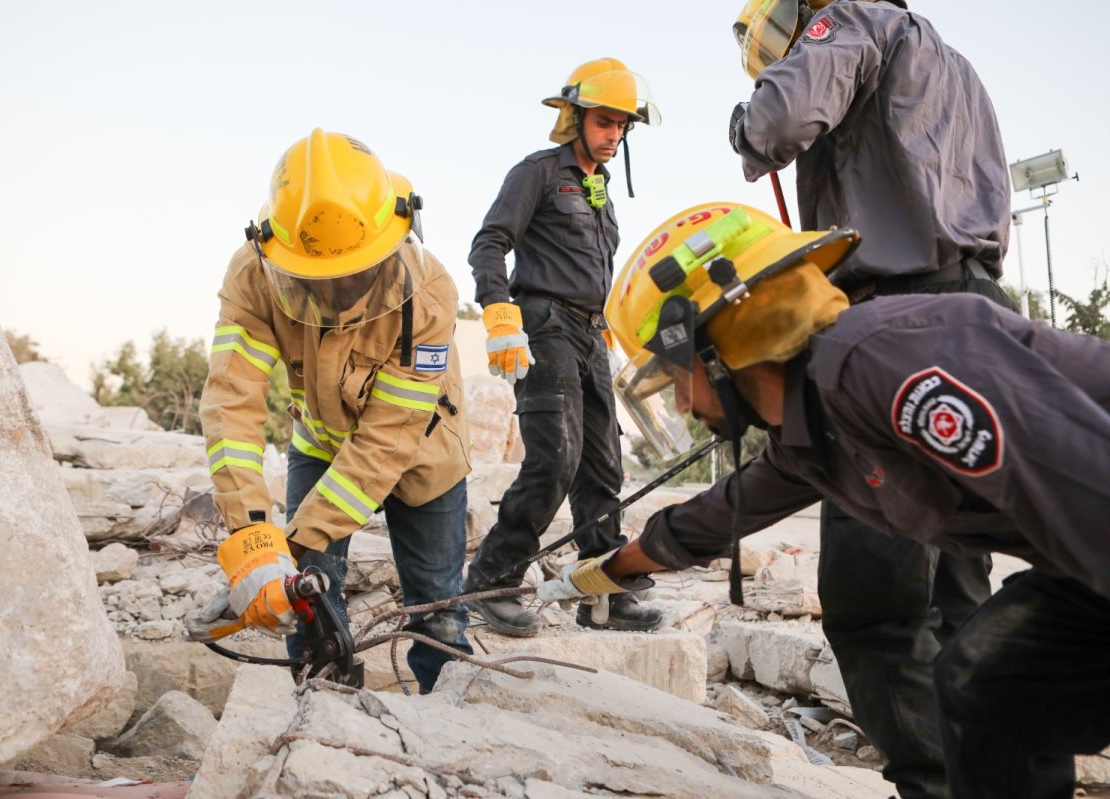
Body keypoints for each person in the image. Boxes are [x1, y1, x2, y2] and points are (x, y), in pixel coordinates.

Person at [538, 201, 1110, 799]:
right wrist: (598, 575)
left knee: (993, 677)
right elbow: (713, 517)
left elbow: (1092, 495)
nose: (681, 403)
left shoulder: (880, 363)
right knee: (987, 680)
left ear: (718, 347)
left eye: (676, 376)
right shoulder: (810, 432)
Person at [728, 2, 1017, 794]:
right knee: (961, 580)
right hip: (977, 308)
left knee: (873, 604)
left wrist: (744, 123)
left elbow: (780, 120)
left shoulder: (848, 17)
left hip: (897, 325)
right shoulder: (953, 65)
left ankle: (934, 786)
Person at [186, 130, 473, 693]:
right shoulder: (253, 275)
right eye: (316, 281)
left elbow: (387, 442)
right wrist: (253, 544)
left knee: (436, 607)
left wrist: (291, 547)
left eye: (356, 275)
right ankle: (319, 706)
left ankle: (451, 720)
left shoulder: (430, 294)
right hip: (319, 445)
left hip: (423, 456)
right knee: (307, 605)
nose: (339, 294)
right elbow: (231, 404)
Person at [463, 58, 663, 635]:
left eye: (623, 126)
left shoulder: (600, 193)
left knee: (603, 465)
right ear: (574, 116)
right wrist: (499, 313)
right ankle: (493, 580)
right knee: (557, 456)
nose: (614, 134)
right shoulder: (539, 173)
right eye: (605, 121)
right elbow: (489, 244)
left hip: (592, 333)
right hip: (543, 325)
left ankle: (604, 595)